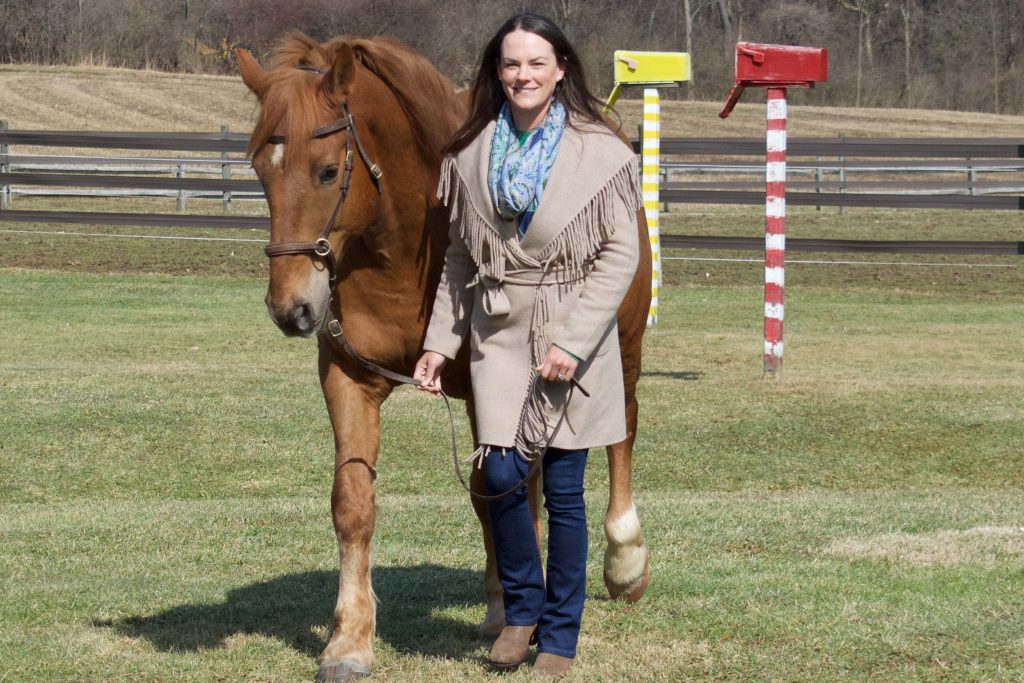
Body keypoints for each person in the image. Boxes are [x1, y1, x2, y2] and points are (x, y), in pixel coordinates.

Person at [413, 12, 641, 679]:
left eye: (536, 63)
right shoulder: (471, 153)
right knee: (502, 474)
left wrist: (572, 340)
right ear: (496, 72)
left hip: (573, 332)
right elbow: (460, 257)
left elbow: (619, 255)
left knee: (565, 488)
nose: (523, 75)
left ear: (561, 68)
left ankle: (559, 637)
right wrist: (437, 344)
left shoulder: (602, 154)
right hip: (498, 333)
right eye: (511, 64)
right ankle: (522, 609)